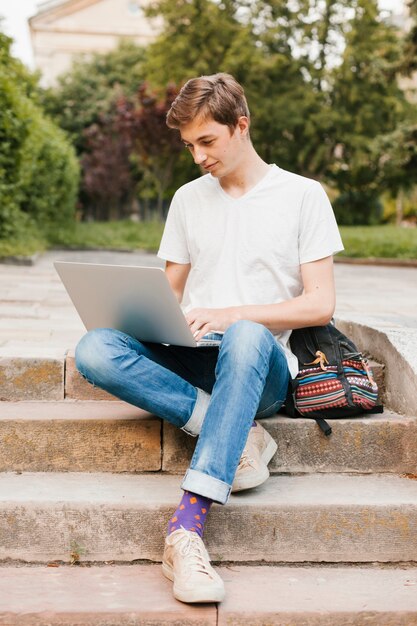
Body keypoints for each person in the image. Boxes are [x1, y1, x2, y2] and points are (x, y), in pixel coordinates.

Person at [75, 72, 344, 604]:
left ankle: (186, 529)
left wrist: (230, 313)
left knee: (243, 333)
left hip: (260, 365)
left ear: (240, 126)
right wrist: (122, 314)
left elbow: (320, 303)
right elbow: (168, 294)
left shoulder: (302, 196)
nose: (198, 156)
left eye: (207, 141)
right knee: (94, 348)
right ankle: (236, 436)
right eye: (189, 145)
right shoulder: (188, 199)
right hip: (196, 357)